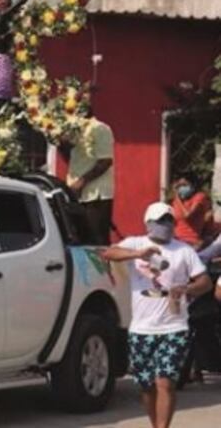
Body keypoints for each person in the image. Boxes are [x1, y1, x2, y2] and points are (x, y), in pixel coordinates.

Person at [102, 202, 212, 428]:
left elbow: (205, 282)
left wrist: (187, 289)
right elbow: (108, 253)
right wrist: (138, 254)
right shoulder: (136, 243)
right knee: (146, 386)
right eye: (161, 221)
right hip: (142, 329)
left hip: (174, 327)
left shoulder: (184, 251)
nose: (166, 225)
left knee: (166, 383)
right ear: (149, 223)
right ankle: (156, 424)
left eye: (169, 220)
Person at [66, 113, 115, 246]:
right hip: (76, 192)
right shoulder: (74, 130)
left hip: (96, 194)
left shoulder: (100, 128)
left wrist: (82, 182)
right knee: (80, 238)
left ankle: (102, 266)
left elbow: (105, 161)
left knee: (97, 240)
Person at [170, 174, 215, 248]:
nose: (181, 188)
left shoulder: (199, 197)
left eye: (184, 185)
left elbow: (187, 215)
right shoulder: (176, 202)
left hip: (191, 242)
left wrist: (177, 198)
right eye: (179, 186)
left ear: (193, 185)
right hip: (175, 240)